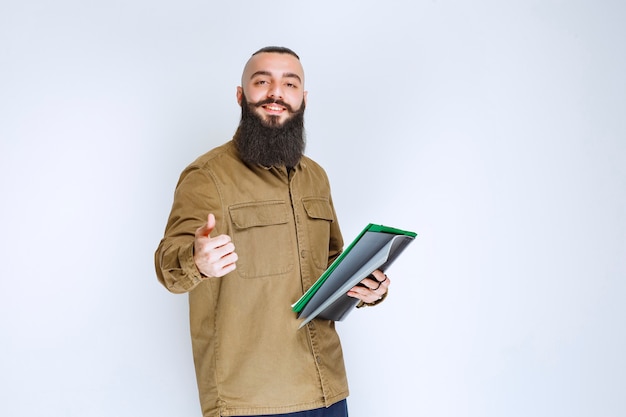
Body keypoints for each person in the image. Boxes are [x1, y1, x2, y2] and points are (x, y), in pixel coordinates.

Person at [155, 46, 391, 417]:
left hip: (328, 388)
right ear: (241, 94)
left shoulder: (315, 176)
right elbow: (168, 267)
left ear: (303, 98)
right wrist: (197, 262)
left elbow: (334, 268)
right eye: (262, 81)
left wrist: (369, 288)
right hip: (252, 399)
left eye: (289, 84)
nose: (275, 93)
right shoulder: (207, 177)